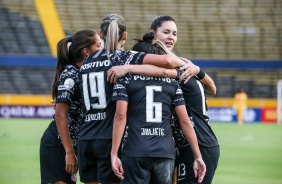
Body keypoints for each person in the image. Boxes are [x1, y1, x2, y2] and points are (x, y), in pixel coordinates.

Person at [78, 13, 188, 184]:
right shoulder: (124, 58)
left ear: (100, 34)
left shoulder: (86, 62)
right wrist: (184, 67)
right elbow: (168, 61)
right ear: (125, 36)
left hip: (85, 137)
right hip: (108, 136)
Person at [110, 37, 206, 184]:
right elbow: (185, 121)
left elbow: (120, 116)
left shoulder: (126, 79)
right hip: (164, 151)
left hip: (136, 149)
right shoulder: (173, 84)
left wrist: (114, 153)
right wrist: (198, 156)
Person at [149, 15, 220, 184]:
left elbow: (212, 89)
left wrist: (198, 70)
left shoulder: (178, 65)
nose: (171, 37)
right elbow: (212, 89)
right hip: (186, 143)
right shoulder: (177, 64)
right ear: (153, 33)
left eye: (174, 33)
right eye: (166, 32)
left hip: (198, 142)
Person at [40, 29, 102, 184]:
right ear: (87, 52)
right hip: (59, 146)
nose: (102, 50)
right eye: (98, 46)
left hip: (78, 145)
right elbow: (60, 114)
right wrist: (69, 152)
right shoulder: (71, 74)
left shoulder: (90, 73)